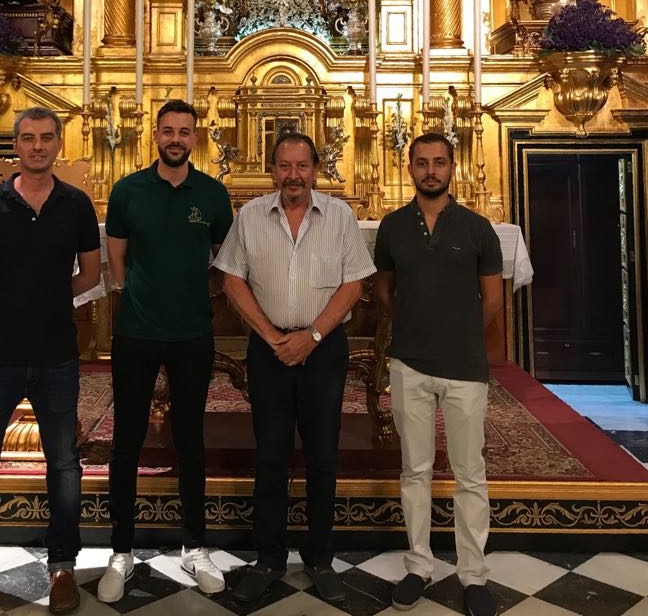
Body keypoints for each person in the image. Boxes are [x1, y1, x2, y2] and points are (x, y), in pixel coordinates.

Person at [0, 107, 101, 616]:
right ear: (16, 145)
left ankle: (62, 569)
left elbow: (91, 274)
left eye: (46, 138)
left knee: (64, 466)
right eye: (28, 138)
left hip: (55, 355)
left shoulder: (76, 204)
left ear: (58, 144)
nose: (37, 146)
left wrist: (48, 302)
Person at [216, 132, 374, 606]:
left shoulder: (340, 216)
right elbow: (232, 280)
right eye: (284, 166)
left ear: (315, 170)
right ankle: (268, 558)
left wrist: (313, 337)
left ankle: (320, 558)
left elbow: (354, 284)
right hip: (270, 350)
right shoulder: (249, 216)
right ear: (272, 171)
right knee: (270, 455)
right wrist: (270, 336)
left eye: (302, 166)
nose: (293, 175)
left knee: (323, 455)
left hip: (323, 350)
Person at [99, 99, 234, 603]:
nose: (176, 138)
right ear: (155, 136)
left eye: (184, 131)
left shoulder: (213, 193)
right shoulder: (127, 190)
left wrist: (197, 292)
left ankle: (194, 546)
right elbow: (116, 258)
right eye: (168, 130)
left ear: (194, 138)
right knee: (127, 441)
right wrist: (136, 292)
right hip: (136, 332)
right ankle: (121, 550)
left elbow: (225, 259)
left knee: (190, 440)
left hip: (192, 332)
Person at [374, 132, 504, 616]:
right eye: (422, 162)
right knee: (415, 469)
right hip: (409, 363)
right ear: (409, 168)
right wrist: (416, 327)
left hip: (464, 367)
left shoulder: (477, 228)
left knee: (470, 472)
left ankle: (473, 574)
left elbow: (492, 299)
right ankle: (419, 565)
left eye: (439, 162)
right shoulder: (392, 227)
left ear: (452, 167)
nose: (431, 170)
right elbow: (385, 292)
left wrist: (457, 333)